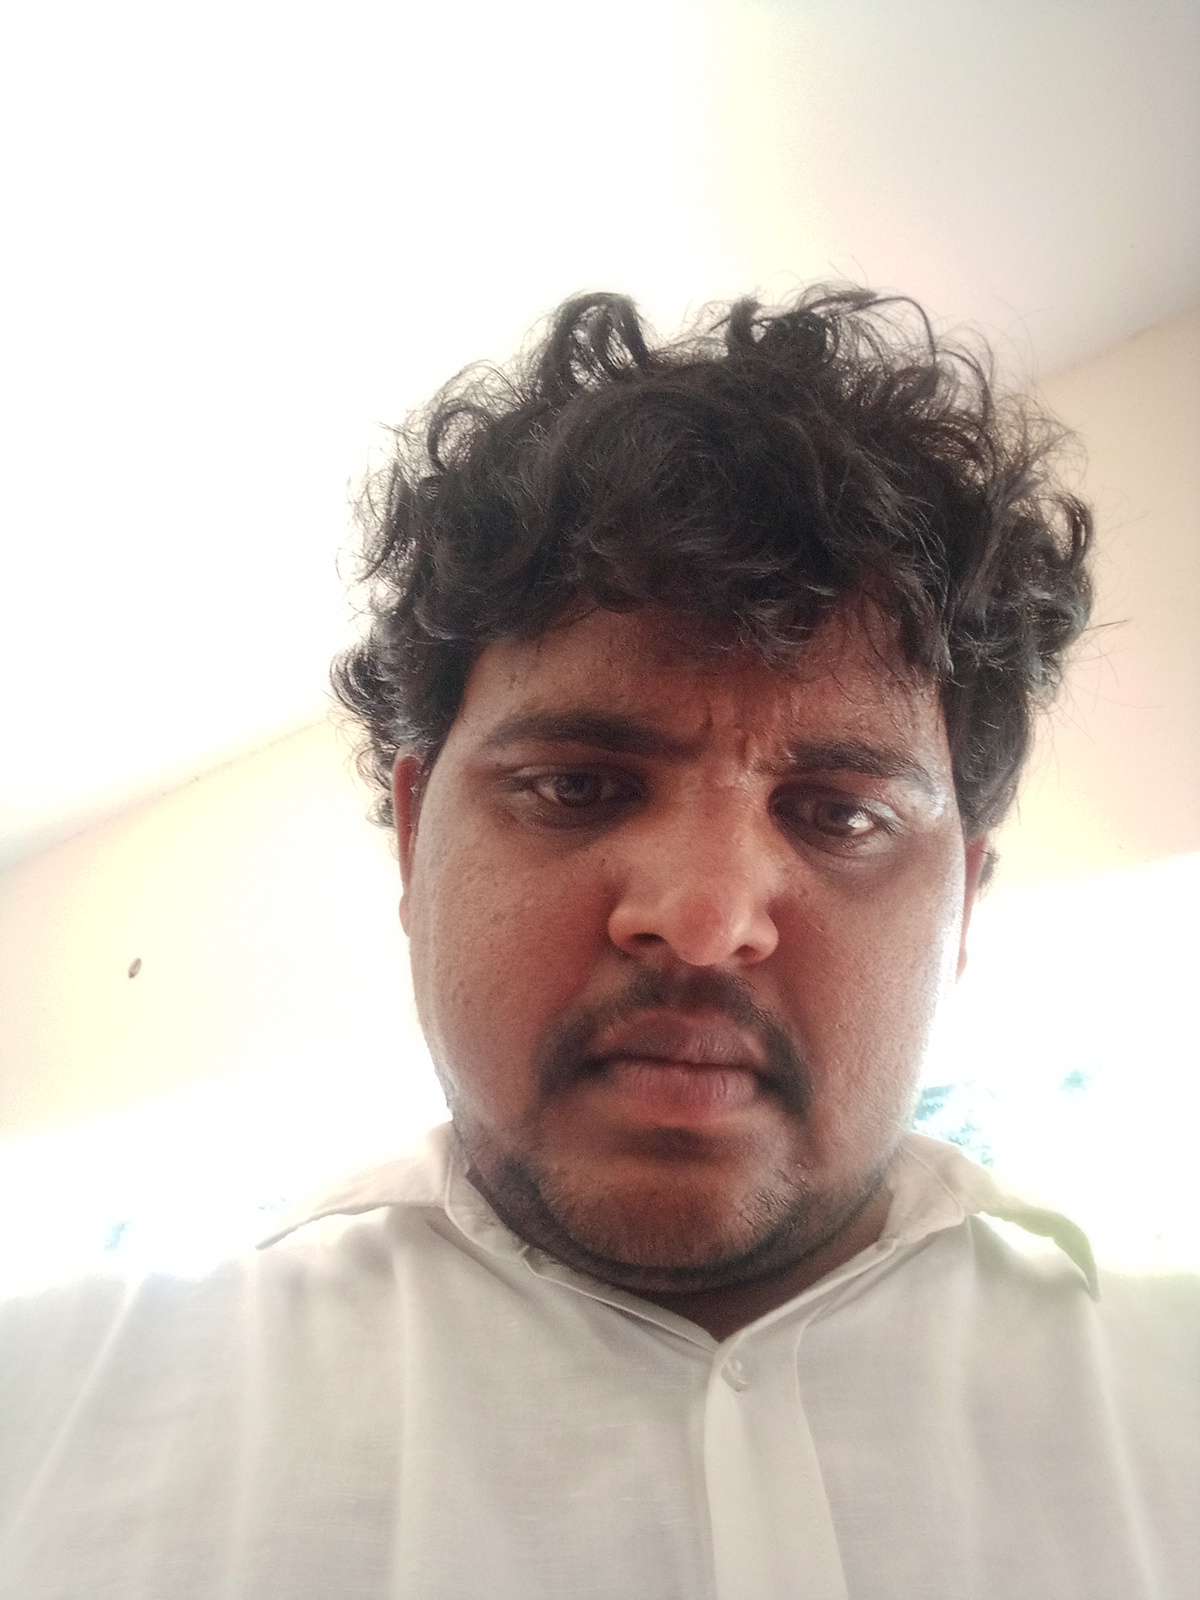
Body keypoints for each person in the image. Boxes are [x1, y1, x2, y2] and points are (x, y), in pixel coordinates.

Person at [2, 287, 1195, 1599]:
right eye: (578, 785)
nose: (703, 919)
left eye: (841, 813)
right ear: (416, 838)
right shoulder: (46, 1418)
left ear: (962, 902)